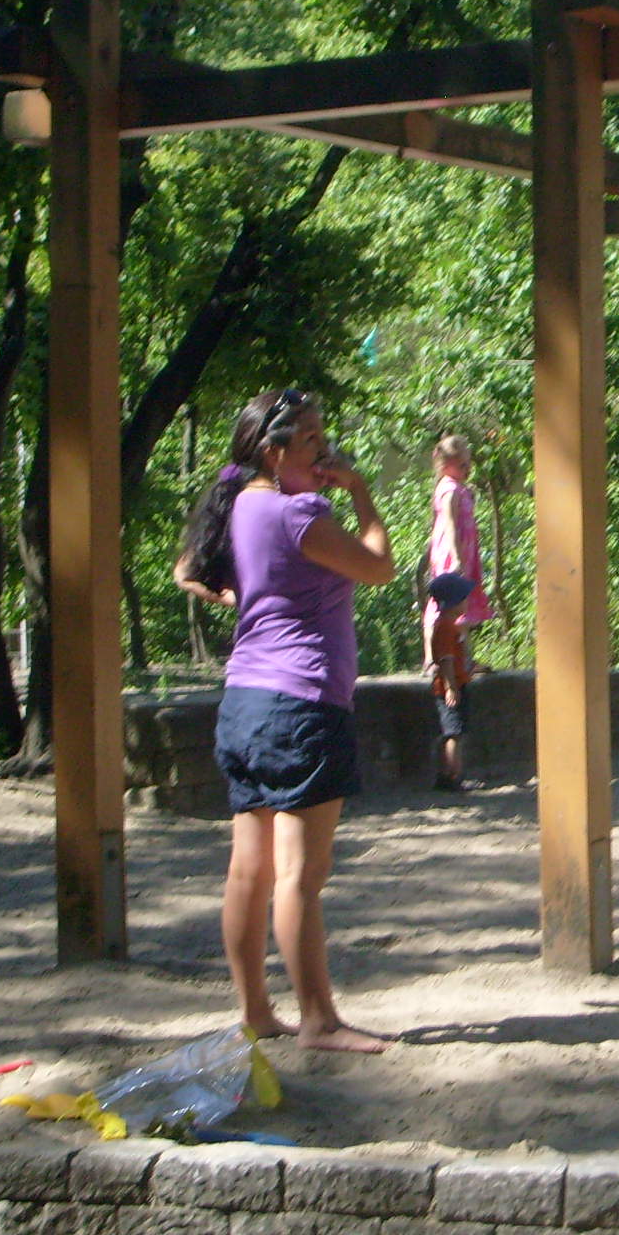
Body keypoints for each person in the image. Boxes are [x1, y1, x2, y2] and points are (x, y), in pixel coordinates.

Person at [174, 388, 395, 1052]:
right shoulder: (299, 515)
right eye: (310, 443)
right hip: (301, 705)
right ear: (272, 451)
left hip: (244, 703)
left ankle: (255, 1013)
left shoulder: (241, 504)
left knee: (250, 870)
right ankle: (320, 1021)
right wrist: (359, 493)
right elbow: (379, 565)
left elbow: (191, 569)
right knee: (301, 873)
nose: (325, 452)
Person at [423, 434, 491, 665]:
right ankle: (433, 658)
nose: (468, 468)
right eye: (462, 464)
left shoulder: (460, 488)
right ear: (446, 465)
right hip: (453, 554)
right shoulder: (449, 490)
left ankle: (463, 658)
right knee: (444, 604)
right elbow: (450, 524)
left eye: (468, 463)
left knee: (462, 605)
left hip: (465, 553)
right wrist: (456, 557)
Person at [426, 570, 479, 791]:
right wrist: (451, 687)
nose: (467, 602)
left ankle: (449, 774)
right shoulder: (446, 628)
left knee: (454, 730)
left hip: (457, 682)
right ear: (453, 602)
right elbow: (446, 660)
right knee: (453, 733)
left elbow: (455, 658)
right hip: (452, 686)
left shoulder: (448, 626)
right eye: (464, 598)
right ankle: (452, 775)